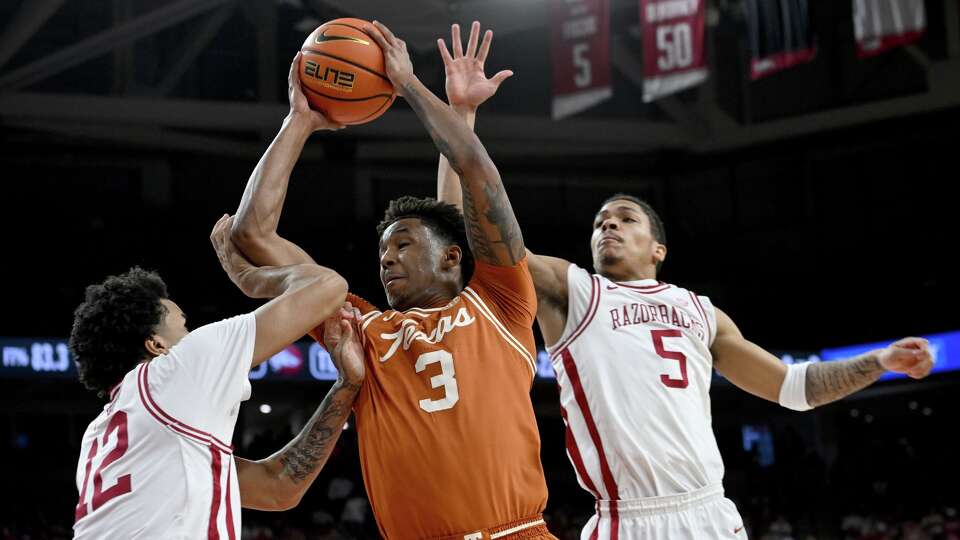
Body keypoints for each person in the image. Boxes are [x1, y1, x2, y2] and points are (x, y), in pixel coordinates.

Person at [434, 21, 936, 540]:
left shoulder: (702, 312)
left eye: (626, 218)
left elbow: (793, 388)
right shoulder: (574, 290)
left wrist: (881, 362)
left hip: (712, 514)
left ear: (659, 249)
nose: (608, 224)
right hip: (627, 520)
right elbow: (459, 237)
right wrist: (462, 117)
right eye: (600, 220)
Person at [226, 22, 554, 540]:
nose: (386, 259)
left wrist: (409, 86)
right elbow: (253, 233)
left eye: (402, 244)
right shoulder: (360, 328)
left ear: (452, 259)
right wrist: (299, 122)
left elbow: (475, 171)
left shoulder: (501, 301)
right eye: (381, 250)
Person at [70, 215, 364, 538]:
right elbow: (328, 287)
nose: (191, 332)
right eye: (183, 326)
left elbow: (279, 487)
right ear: (157, 345)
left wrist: (346, 385)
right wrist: (250, 278)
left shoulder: (100, 435)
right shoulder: (174, 372)